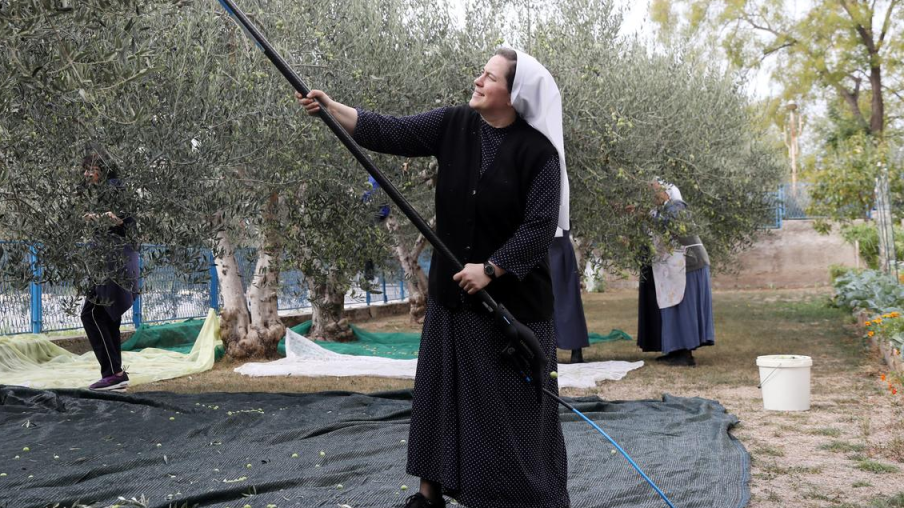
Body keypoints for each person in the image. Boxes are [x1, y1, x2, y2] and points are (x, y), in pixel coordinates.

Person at [298, 46, 570, 508]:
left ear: (513, 93)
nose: (478, 81)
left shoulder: (538, 154)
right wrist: (331, 108)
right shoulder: (453, 125)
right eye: (481, 73)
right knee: (440, 398)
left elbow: (539, 227)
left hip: (512, 306)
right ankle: (429, 495)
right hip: (452, 298)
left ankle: (517, 497)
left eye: (490, 77)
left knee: (508, 411)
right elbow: (389, 129)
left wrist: (491, 269)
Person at [79, 149, 140, 392]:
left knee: (92, 314)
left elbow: (126, 221)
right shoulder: (101, 192)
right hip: (112, 259)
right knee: (107, 315)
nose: (87, 174)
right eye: (85, 169)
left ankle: (113, 373)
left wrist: (113, 219)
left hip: (114, 259)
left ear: (103, 170)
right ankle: (116, 374)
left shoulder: (114, 189)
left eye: (91, 169)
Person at [636, 181, 715, 367]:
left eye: (656, 191)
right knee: (674, 307)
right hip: (677, 266)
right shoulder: (661, 211)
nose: (653, 195)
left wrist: (644, 216)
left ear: (667, 193)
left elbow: (669, 226)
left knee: (684, 308)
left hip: (689, 265)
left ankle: (685, 354)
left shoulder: (676, 207)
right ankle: (675, 350)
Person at [549, 227, 590, 364]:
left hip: (554, 248)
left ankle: (575, 350)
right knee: (567, 299)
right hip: (554, 247)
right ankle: (574, 350)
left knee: (567, 299)